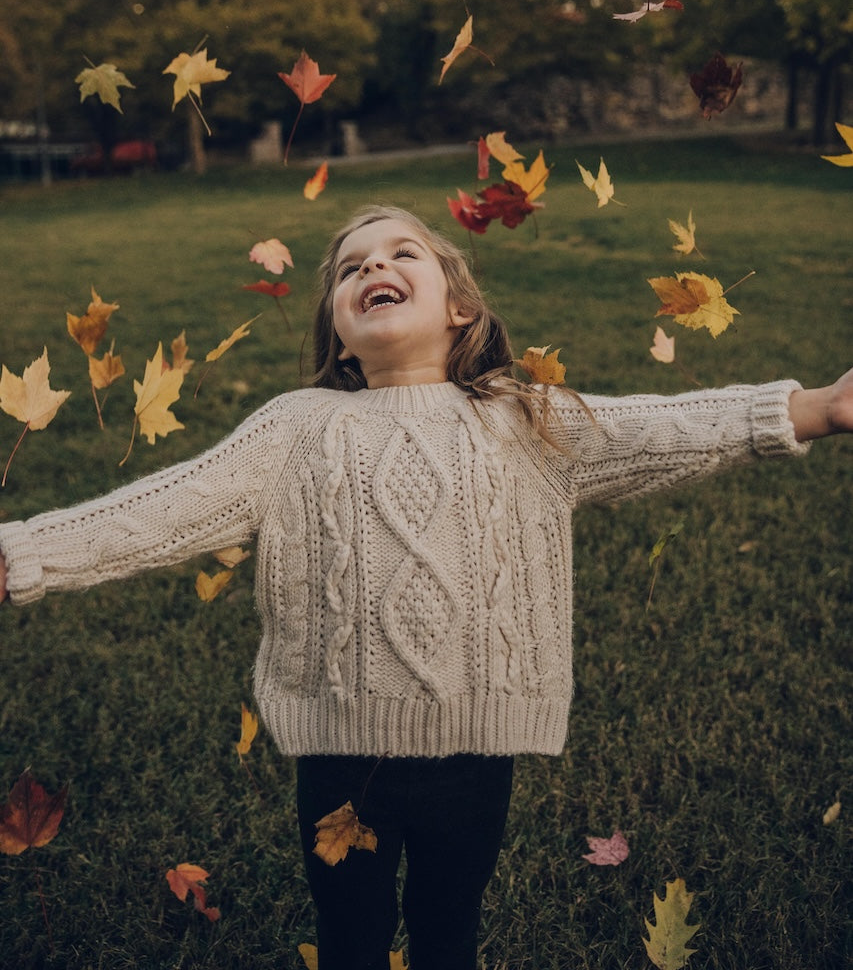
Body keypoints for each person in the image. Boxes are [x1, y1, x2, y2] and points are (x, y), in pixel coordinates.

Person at [0, 204, 850, 970]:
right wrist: (24, 552)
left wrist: (812, 408)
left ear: (459, 310)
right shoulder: (296, 428)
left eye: (400, 252)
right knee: (351, 933)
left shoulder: (521, 418)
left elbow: (663, 429)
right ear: (335, 330)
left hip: (476, 750)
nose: (373, 267)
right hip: (340, 755)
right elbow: (164, 510)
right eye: (350, 267)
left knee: (449, 922)